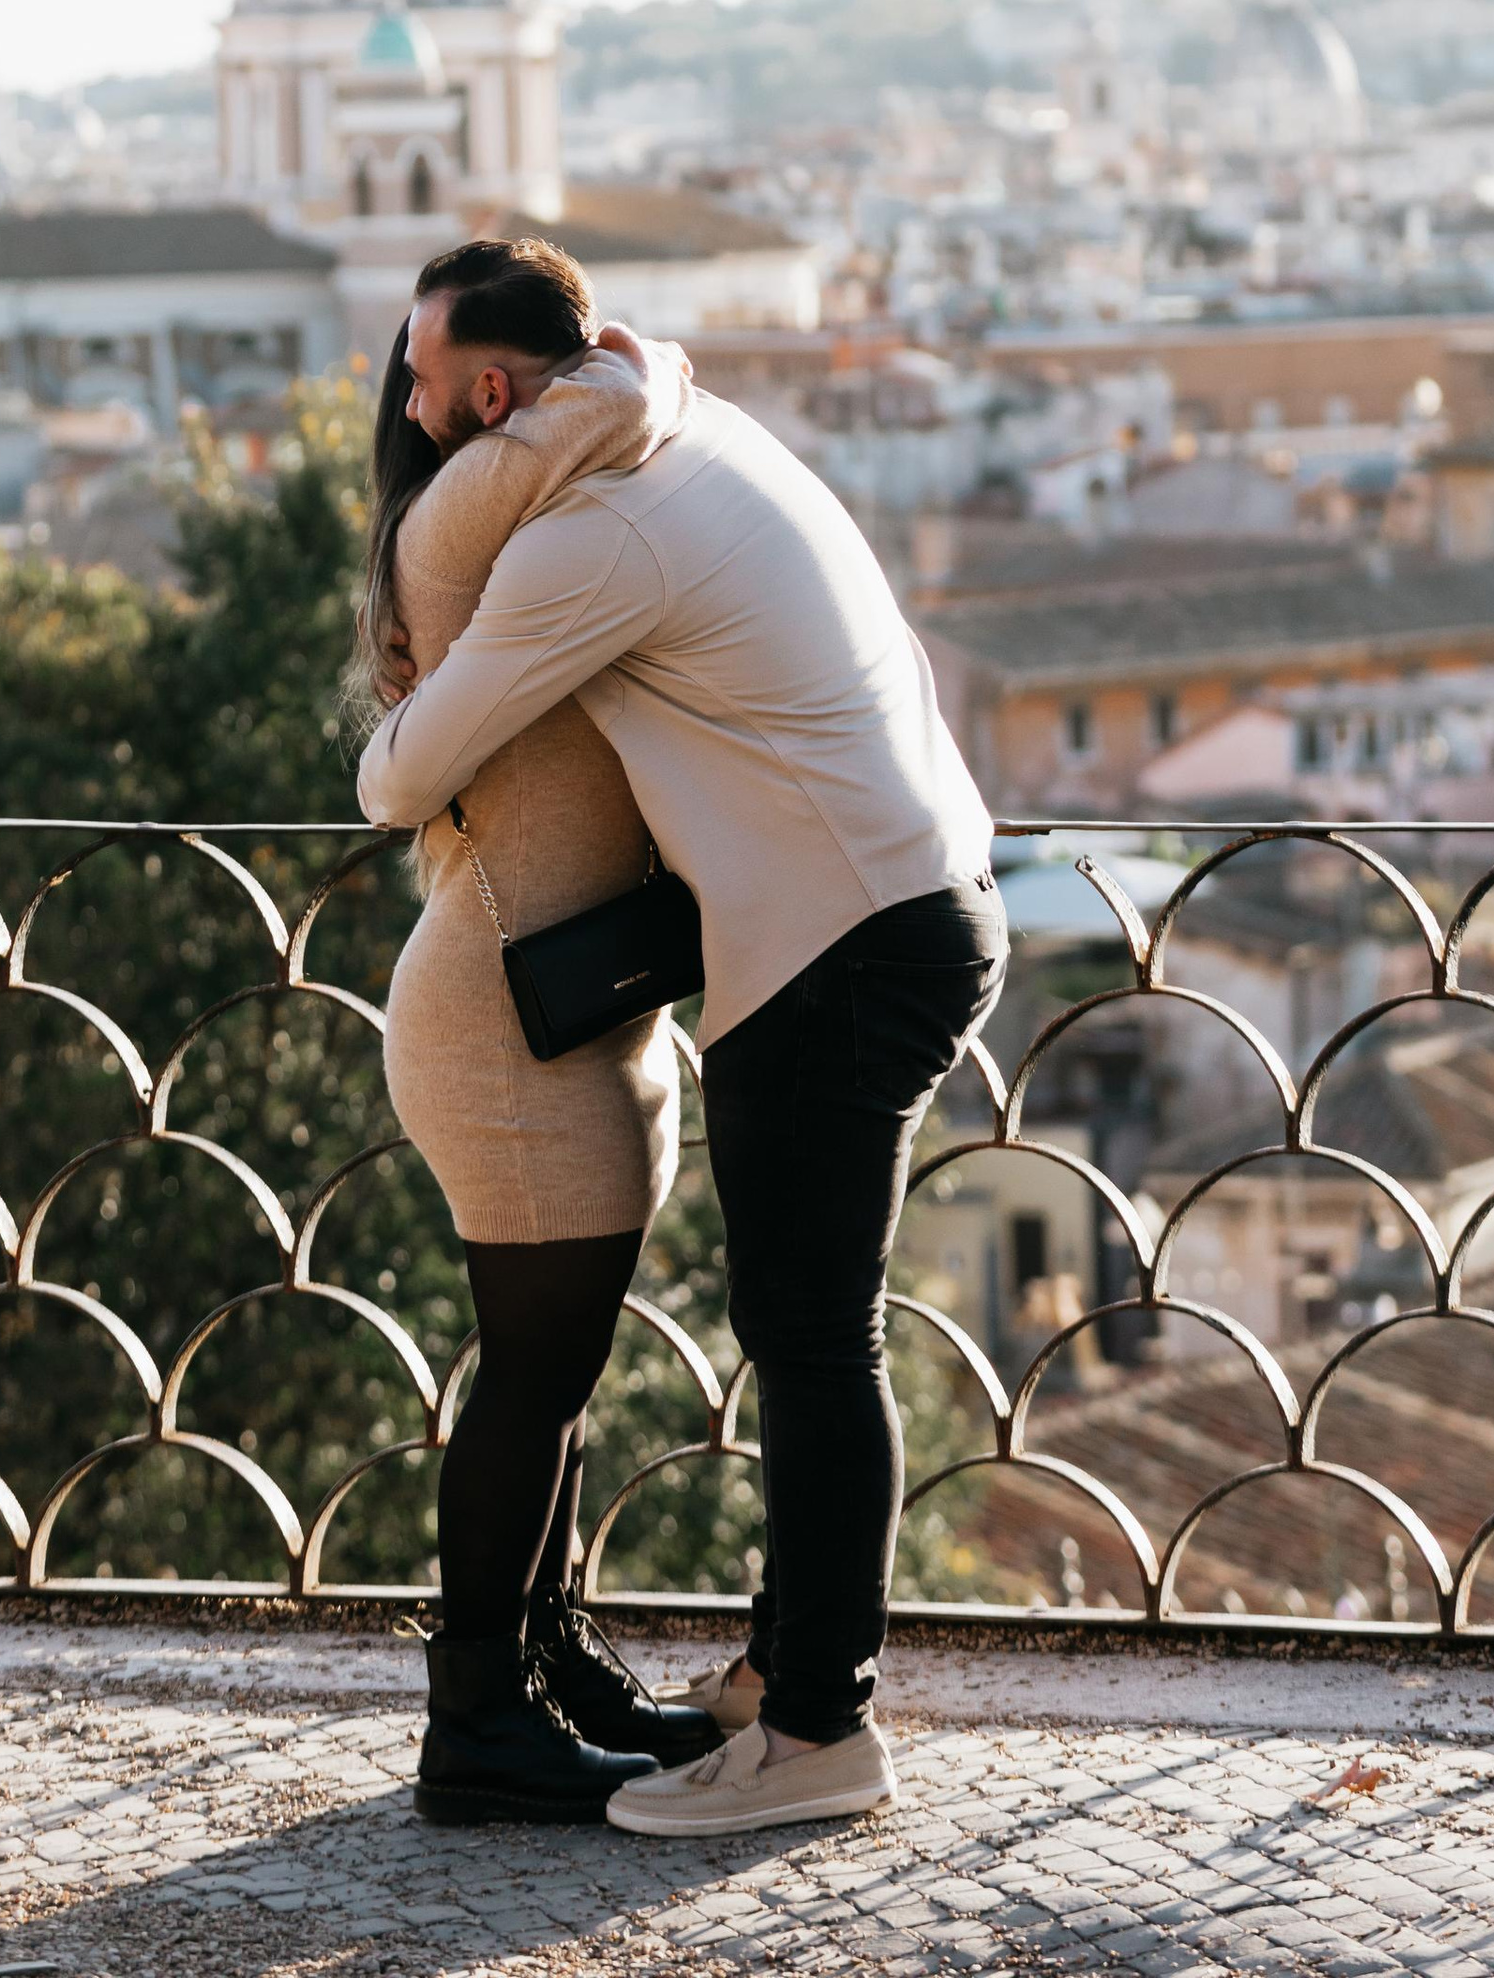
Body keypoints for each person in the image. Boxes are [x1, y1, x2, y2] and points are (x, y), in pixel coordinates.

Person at [361, 233, 1005, 1838]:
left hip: (834, 937)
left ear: (493, 393)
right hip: (923, 894)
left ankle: (812, 1732)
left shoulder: (591, 541)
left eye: (426, 382)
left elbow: (391, 777)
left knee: (811, 1340)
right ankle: (783, 1676)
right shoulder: (696, 430)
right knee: (811, 1329)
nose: (412, 404)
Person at [358, 240, 721, 1822]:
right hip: (503, 1014)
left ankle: (547, 1667)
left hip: (565, 997)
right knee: (530, 1378)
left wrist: (631, 377)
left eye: (432, 374)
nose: (421, 405)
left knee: (553, 1376)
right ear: (522, 396)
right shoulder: (463, 520)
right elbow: (618, 414)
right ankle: (476, 1727)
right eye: (434, 385)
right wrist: (636, 372)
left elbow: (612, 417)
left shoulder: (517, 499)